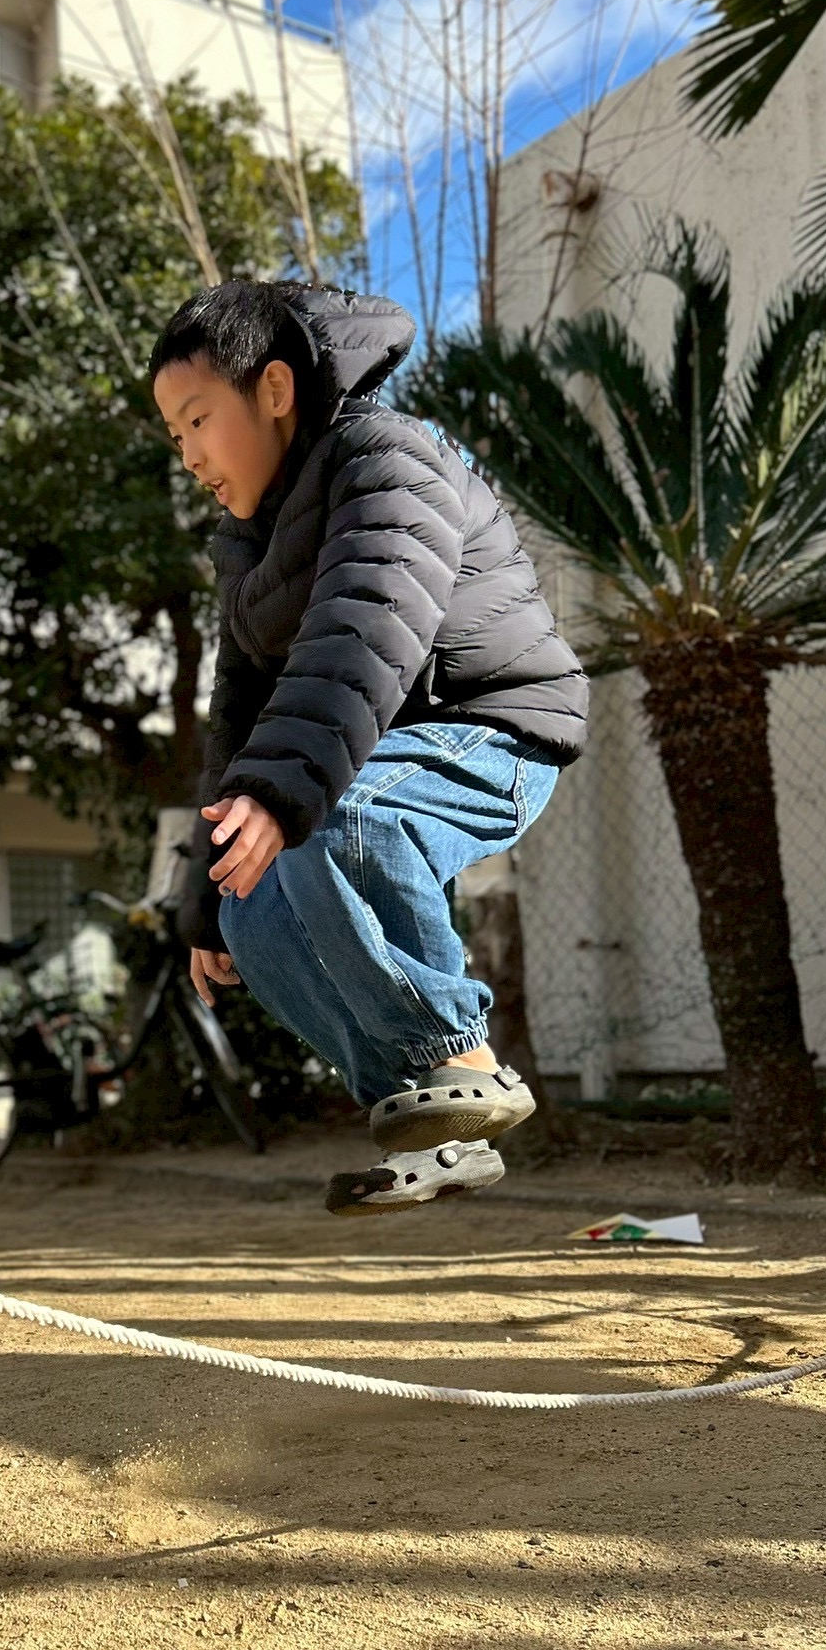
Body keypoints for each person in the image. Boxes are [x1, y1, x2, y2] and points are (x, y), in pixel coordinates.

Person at [151, 280, 588, 1215]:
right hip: (379, 753)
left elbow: (363, 629)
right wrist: (205, 889)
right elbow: (236, 717)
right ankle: (426, 1110)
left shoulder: (390, 459)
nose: (187, 455)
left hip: (494, 731)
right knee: (251, 911)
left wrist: (283, 790)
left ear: (273, 390)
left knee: (340, 815)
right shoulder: (246, 547)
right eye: (174, 436)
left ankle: (458, 1058)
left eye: (197, 420)